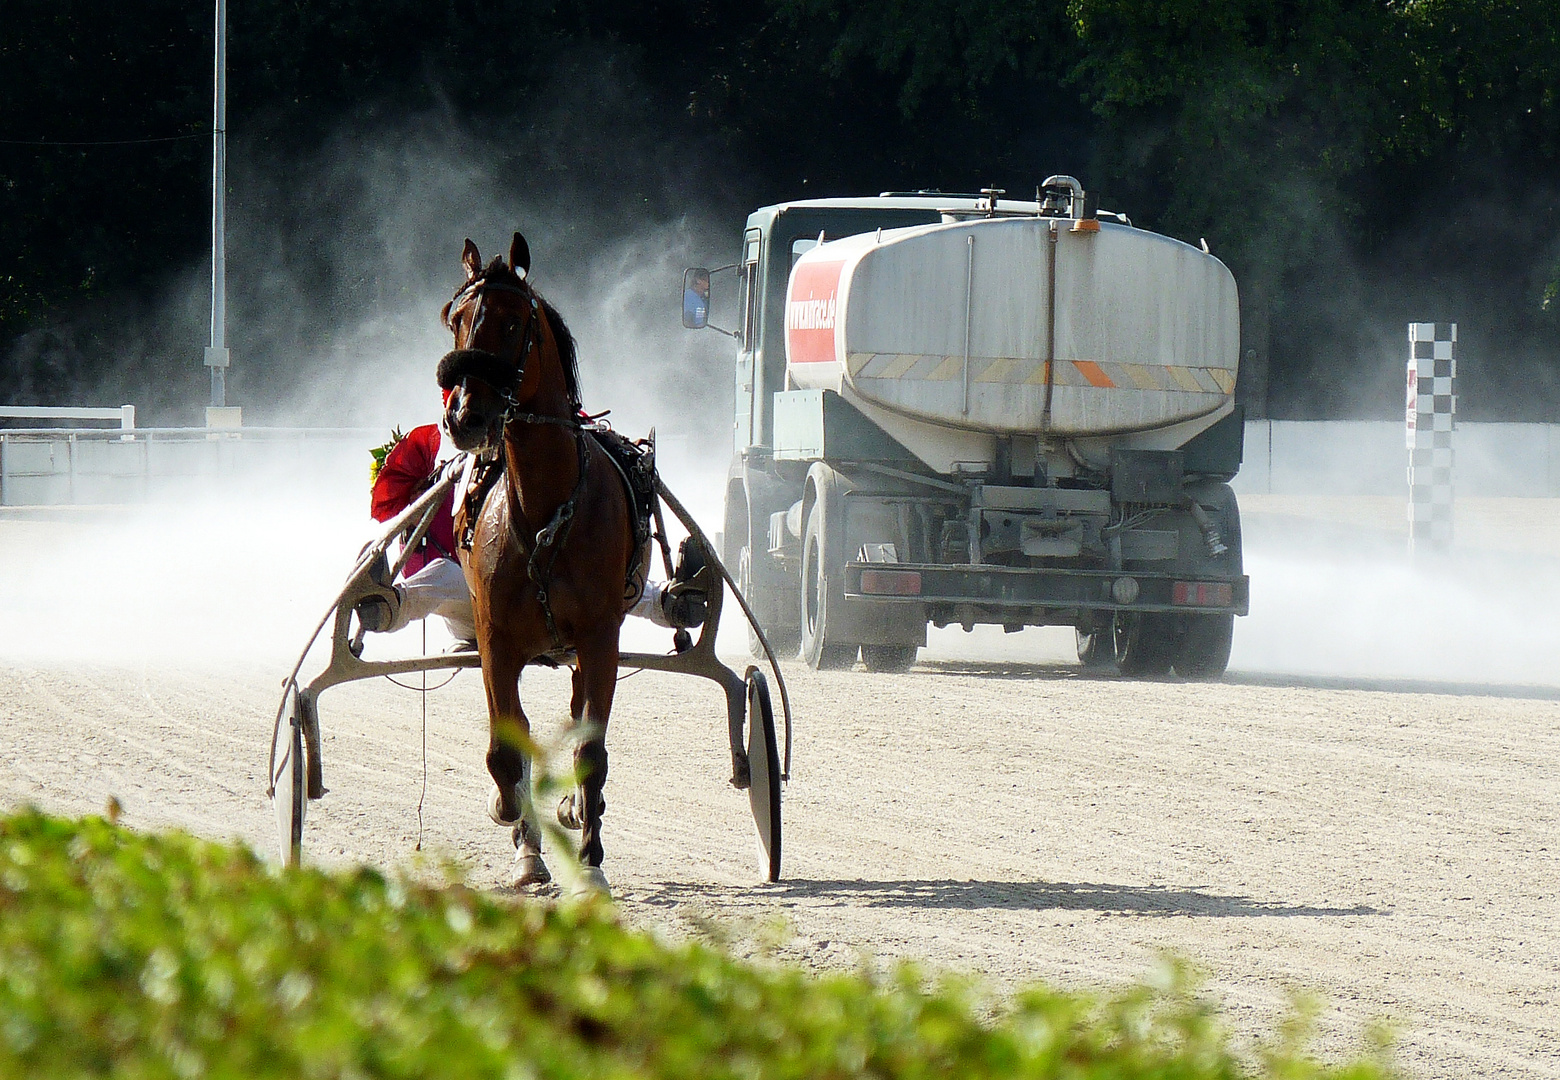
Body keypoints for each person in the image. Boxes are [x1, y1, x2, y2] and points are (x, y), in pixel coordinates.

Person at [354, 423, 703, 646]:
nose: (420, 491)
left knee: (598, 582)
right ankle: (388, 608)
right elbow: (428, 574)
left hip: (534, 595)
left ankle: (670, 604)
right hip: (474, 614)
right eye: (412, 488)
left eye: (421, 482)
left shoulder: (473, 481)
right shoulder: (424, 517)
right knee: (446, 574)